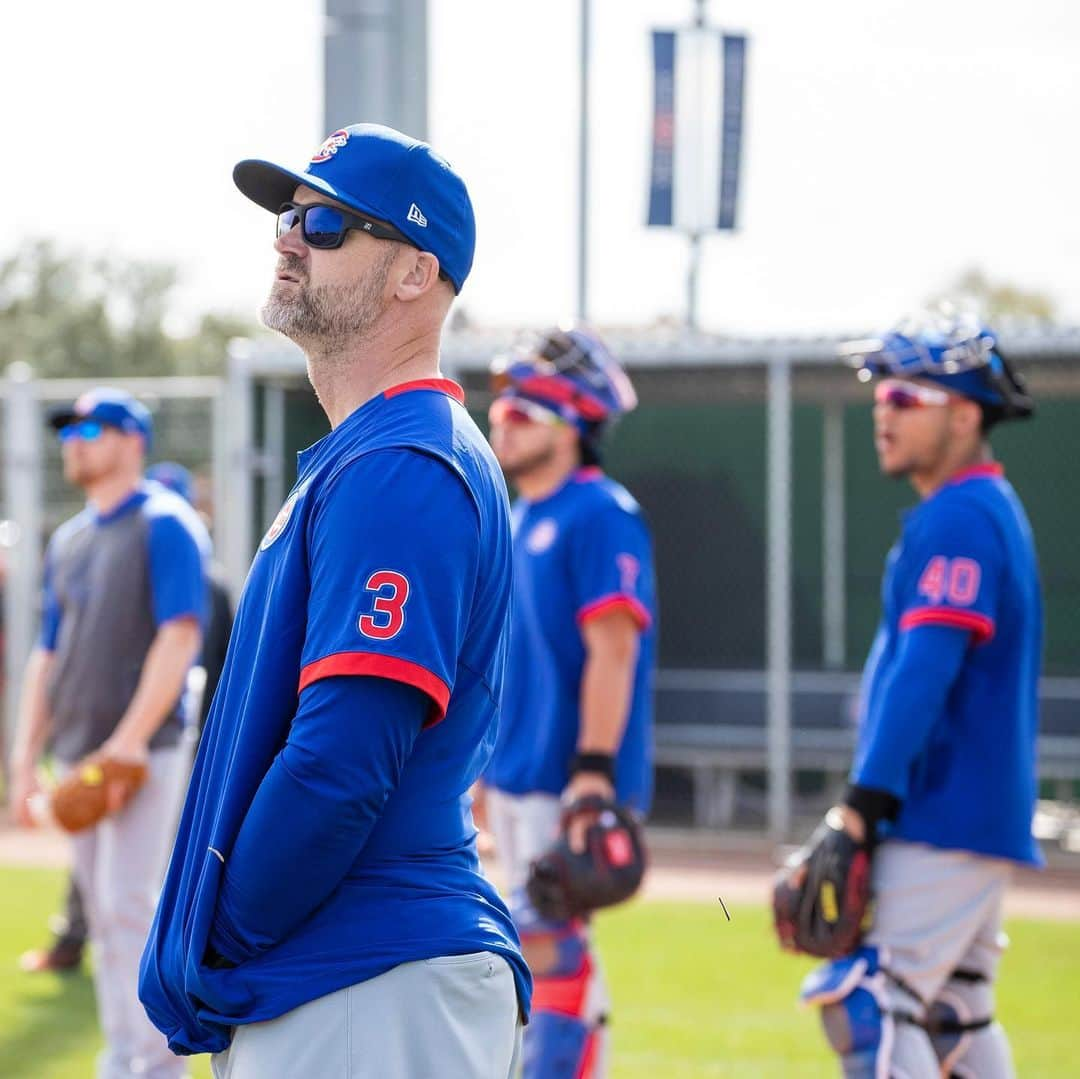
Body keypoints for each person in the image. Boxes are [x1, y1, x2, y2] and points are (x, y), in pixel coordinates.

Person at [139, 123, 530, 1079]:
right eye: (286, 215)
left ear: (412, 274)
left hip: (366, 974)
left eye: (323, 223)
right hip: (354, 976)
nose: (287, 236)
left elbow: (342, 763)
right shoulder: (378, 453)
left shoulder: (404, 461)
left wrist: (227, 929)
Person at [776, 313, 1040, 1077]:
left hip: (942, 809)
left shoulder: (961, 514)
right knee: (956, 1010)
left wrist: (861, 805)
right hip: (967, 810)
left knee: (866, 1000)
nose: (882, 409)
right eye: (881, 393)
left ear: (964, 414)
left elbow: (926, 671)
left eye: (905, 395)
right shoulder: (973, 508)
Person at [7, 388, 209, 1079]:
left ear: (132, 440)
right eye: (69, 431)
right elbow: (47, 655)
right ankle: (122, 1058)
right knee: (101, 907)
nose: (75, 440)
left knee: (130, 906)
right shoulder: (69, 538)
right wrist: (22, 758)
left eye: (92, 428)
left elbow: (180, 635)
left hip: (141, 749)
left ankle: (155, 1065)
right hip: (80, 751)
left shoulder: (166, 522)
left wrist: (129, 737)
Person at [481, 326, 657, 1079]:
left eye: (524, 406)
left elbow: (614, 648)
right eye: (501, 406)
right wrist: (485, 770)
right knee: (537, 965)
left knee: (552, 960)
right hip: (516, 776)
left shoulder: (599, 510)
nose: (502, 419)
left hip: (568, 780)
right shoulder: (516, 517)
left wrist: (593, 770)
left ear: (574, 419)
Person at [18, 461, 235, 980]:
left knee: (145, 887)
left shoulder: (210, 584)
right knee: (107, 886)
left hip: (175, 741)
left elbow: (214, 667)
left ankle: (177, 992)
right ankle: (78, 944)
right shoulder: (98, 552)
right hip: (124, 740)